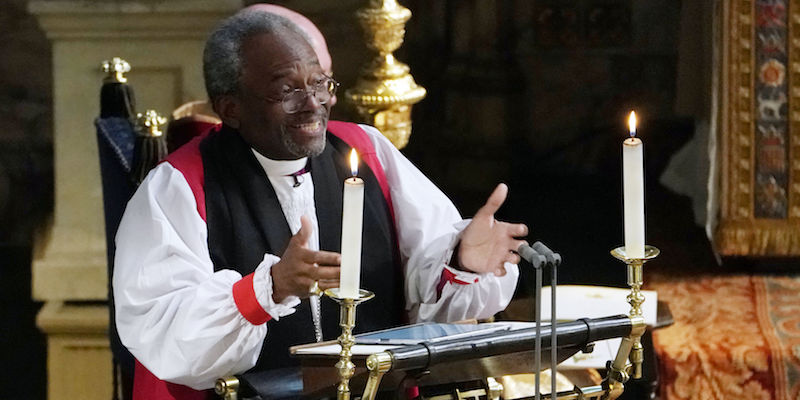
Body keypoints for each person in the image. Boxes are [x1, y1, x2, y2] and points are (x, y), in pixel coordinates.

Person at [112, 7, 528, 397]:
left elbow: (425, 291)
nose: (313, 103)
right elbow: (163, 330)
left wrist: (463, 262)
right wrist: (266, 290)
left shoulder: (368, 150)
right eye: (287, 90)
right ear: (231, 108)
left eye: (318, 83)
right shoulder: (179, 186)